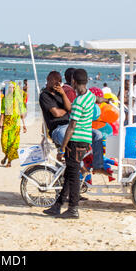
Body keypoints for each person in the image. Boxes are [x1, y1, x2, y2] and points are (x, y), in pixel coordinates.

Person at [53, 69, 96, 219]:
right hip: (85, 140)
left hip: (76, 140)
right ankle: (58, 205)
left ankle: (73, 208)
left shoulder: (78, 102)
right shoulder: (90, 96)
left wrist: (62, 148)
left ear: (73, 82)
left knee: (73, 175)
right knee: (70, 172)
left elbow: (71, 127)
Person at [0, 81, 27, 168]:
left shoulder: (18, 99)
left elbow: (21, 113)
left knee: (13, 143)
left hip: (16, 124)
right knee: (4, 142)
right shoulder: (4, 99)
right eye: (9, 87)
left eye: (12, 87)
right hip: (6, 124)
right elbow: (2, 113)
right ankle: (7, 155)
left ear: (15, 89)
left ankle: (9, 161)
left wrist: (24, 125)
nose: (11, 89)